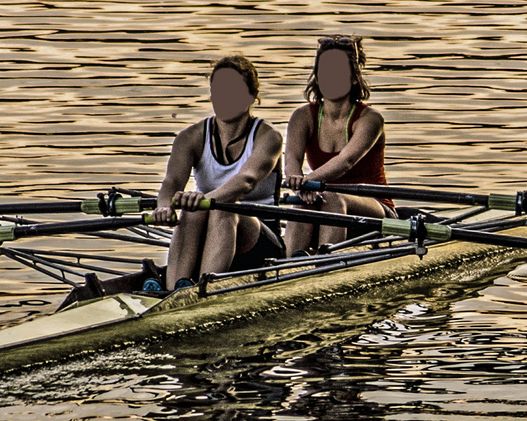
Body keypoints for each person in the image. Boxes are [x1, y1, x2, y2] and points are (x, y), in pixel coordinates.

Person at [152, 54, 285, 291]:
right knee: (192, 212)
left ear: (252, 95)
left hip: (262, 244)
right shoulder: (189, 138)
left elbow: (246, 180)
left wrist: (206, 199)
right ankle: (176, 289)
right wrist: (164, 206)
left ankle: (205, 290)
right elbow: (171, 182)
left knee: (223, 209)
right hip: (209, 227)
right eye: (218, 90)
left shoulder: (268, 138)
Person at [282, 35, 394, 255]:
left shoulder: (370, 119)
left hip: (376, 209)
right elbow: (292, 161)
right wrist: (297, 182)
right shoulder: (302, 117)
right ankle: (288, 267)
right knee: (305, 202)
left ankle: (327, 267)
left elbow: (346, 161)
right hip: (324, 198)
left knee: (331, 198)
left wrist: (309, 181)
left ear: (354, 78)